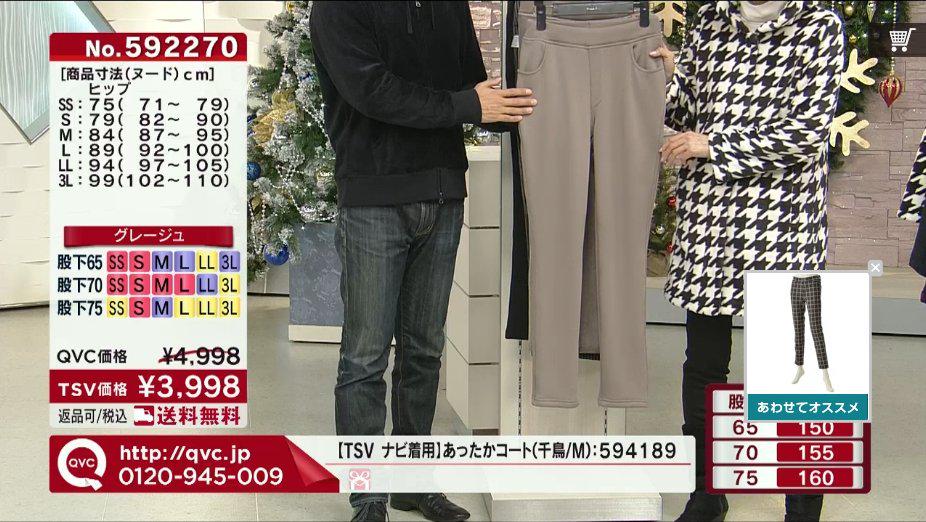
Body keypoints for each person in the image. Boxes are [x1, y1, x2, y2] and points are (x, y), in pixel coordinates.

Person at [309, 2, 536, 521]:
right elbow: (371, 91)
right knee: (364, 358)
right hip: (373, 198)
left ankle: (412, 483)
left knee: (424, 353)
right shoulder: (337, 6)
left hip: (443, 194)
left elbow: (471, 86)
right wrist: (466, 105)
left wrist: (513, 102)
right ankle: (368, 495)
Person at [649, 1, 843, 520]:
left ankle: (802, 506)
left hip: (784, 218)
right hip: (711, 217)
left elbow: (807, 132)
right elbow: (683, 116)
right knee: (704, 361)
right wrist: (669, 78)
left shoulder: (818, 25)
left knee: (795, 366)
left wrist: (714, 145)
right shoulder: (711, 20)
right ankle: (706, 493)